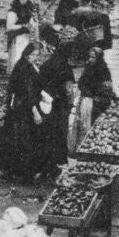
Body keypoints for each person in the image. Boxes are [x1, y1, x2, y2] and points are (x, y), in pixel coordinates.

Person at [0, 42, 46, 182]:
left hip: (19, 109)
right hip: (23, 110)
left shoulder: (24, 64)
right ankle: (25, 173)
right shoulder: (24, 68)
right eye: (35, 55)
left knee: (18, 140)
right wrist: (35, 111)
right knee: (24, 140)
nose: (36, 57)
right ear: (28, 54)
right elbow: (27, 92)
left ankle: (15, 171)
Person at [39, 42, 75, 176]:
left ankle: (45, 163)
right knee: (60, 133)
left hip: (46, 103)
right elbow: (69, 90)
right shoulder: (66, 68)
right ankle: (57, 162)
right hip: (60, 104)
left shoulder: (47, 64)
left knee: (47, 133)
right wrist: (71, 105)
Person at [77, 47, 113, 124]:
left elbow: (107, 89)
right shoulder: (88, 67)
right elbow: (81, 83)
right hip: (86, 100)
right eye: (89, 57)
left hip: (97, 103)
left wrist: (95, 97)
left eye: (93, 57)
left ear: (99, 58)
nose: (90, 59)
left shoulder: (104, 71)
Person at [6, 0, 38, 73]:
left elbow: (32, 20)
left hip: (27, 36)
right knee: (19, 55)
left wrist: (32, 24)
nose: (23, 0)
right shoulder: (12, 12)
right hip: (17, 35)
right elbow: (9, 27)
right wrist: (21, 26)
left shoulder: (28, 9)